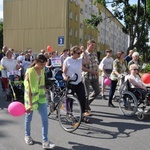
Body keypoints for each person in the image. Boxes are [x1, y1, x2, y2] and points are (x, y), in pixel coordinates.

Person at [24, 54, 55, 149]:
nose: (43, 67)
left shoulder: (42, 70)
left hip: (41, 98)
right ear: (36, 62)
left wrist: (48, 95)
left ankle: (45, 141)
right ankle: (27, 136)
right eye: (42, 64)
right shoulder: (30, 71)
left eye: (45, 64)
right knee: (29, 119)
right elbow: (28, 88)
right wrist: (29, 104)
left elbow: (41, 84)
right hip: (31, 99)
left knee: (45, 120)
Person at [63, 45, 90, 123]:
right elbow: (63, 72)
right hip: (71, 82)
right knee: (69, 99)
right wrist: (65, 77)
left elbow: (88, 61)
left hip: (78, 82)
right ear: (73, 53)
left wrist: (84, 52)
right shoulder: (68, 60)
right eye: (78, 53)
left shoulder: (79, 60)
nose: (79, 54)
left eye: (80, 52)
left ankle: (82, 115)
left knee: (82, 98)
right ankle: (69, 114)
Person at [82, 39, 100, 115]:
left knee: (97, 91)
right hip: (87, 76)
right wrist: (91, 71)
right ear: (88, 45)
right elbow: (81, 67)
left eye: (94, 46)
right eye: (91, 45)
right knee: (86, 94)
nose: (93, 47)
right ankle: (86, 110)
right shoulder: (84, 54)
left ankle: (86, 104)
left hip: (95, 76)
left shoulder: (95, 54)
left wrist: (97, 73)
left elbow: (96, 65)